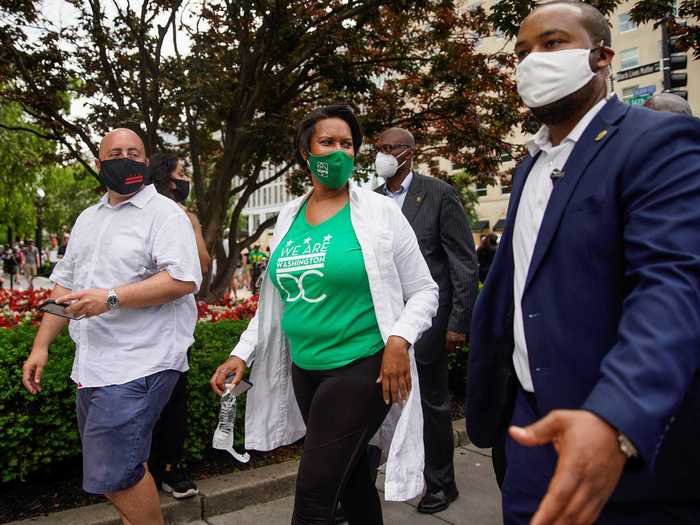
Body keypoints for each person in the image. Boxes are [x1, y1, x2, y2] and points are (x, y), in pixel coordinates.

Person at [466, 2, 700, 524]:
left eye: (552, 44)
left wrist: (616, 416)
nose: (532, 62)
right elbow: (517, 283)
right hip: (527, 427)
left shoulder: (656, 143)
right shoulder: (530, 164)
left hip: (617, 438)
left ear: (602, 57)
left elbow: (672, 285)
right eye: (522, 53)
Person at [210, 103, 438, 525]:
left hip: (362, 367)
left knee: (314, 494)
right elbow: (276, 303)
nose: (339, 152)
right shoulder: (288, 216)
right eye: (327, 142)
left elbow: (424, 289)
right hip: (305, 368)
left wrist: (398, 340)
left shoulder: (380, 213)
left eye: (347, 144)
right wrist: (242, 354)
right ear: (306, 152)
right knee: (350, 481)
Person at [21, 128, 202, 525]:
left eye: (134, 153)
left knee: (115, 475)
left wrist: (111, 298)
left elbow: (184, 279)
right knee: (125, 470)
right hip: (94, 366)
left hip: (142, 362)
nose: (126, 159)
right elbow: (64, 284)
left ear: (146, 162)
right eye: (116, 152)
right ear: (100, 164)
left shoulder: (165, 215)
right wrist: (41, 345)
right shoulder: (89, 218)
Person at [374, 127, 478, 514]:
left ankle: (441, 484)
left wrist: (458, 322)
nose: (382, 154)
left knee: (432, 404)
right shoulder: (370, 201)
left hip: (430, 321)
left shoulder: (438, 194)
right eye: (378, 148)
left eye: (390, 148)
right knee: (381, 403)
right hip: (384, 323)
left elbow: (463, 262)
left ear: (410, 153)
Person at [148, 152, 212, 500]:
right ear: (166, 177)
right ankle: (153, 470)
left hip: (173, 328)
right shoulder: (150, 213)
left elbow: (200, 264)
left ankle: (169, 468)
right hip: (141, 325)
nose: (185, 178)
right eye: (181, 172)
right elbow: (202, 261)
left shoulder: (184, 217)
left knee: (172, 399)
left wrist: (194, 224)